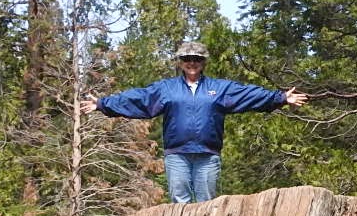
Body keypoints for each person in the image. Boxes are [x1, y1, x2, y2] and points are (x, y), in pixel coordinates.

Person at [81, 41, 308, 203]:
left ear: (203, 62)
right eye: (187, 59)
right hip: (177, 155)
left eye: (197, 59)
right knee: (180, 202)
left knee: (207, 205)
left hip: (208, 156)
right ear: (181, 62)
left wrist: (281, 98)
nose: (192, 63)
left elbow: (249, 95)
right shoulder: (166, 88)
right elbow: (139, 99)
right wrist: (102, 104)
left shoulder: (219, 88)